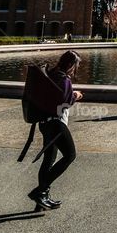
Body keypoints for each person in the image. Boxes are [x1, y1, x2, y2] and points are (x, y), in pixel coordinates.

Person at [28, 50, 83, 211]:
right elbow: (63, 102)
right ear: (71, 65)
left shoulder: (51, 74)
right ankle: (40, 192)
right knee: (70, 155)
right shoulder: (64, 79)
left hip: (44, 123)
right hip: (56, 124)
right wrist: (76, 95)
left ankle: (42, 200)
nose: (75, 70)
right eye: (76, 66)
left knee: (49, 160)